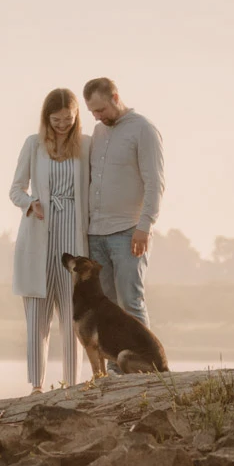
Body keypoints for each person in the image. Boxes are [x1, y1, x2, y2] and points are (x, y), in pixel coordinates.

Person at [8, 88, 91, 392]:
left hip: (73, 234)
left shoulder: (86, 145)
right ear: (46, 118)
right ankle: (36, 387)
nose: (62, 125)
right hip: (39, 232)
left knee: (72, 316)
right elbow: (15, 189)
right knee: (37, 319)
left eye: (68, 119)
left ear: (76, 116)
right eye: (56, 119)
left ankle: (71, 383)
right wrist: (31, 202)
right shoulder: (33, 145)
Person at [81, 76, 163, 325]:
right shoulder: (98, 131)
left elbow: (155, 183)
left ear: (115, 98)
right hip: (96, 234)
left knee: (131, 302)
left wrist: (144, 226)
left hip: (128, 232)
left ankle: (146, 363)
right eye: (92, 111)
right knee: (106, 305)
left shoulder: (144, 130)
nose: (96, 116)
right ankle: (117, 364)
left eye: (101, 109)